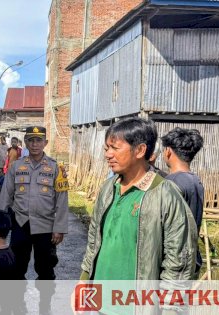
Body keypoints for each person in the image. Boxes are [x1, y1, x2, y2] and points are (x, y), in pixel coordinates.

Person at [79, 117, 197, 313]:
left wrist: (171, 309)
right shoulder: (108, 188)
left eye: (115, 148)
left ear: (140, 150)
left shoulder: (166, 195)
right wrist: (84, 281)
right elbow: (93, 240)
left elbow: (178, 262)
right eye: (106, 148)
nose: (108, 155)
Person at [0, 126, 69, 314]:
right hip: (21, 224)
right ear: (26, 143)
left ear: (45, 143)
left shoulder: (56, 168)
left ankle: (45, 305)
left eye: (39, 140)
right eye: (31, 140)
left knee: (45, 268)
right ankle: (17, 305)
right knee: (16, 267)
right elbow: (5, 195)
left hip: (46, 227)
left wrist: (59, 228)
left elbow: (62, 200)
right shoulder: (16, 166)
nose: (35, 144)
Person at [161, 127, 205, 274]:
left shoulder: (170, 183)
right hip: (191, 261)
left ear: (168, 151)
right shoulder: (195, 181)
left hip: (174, 265)